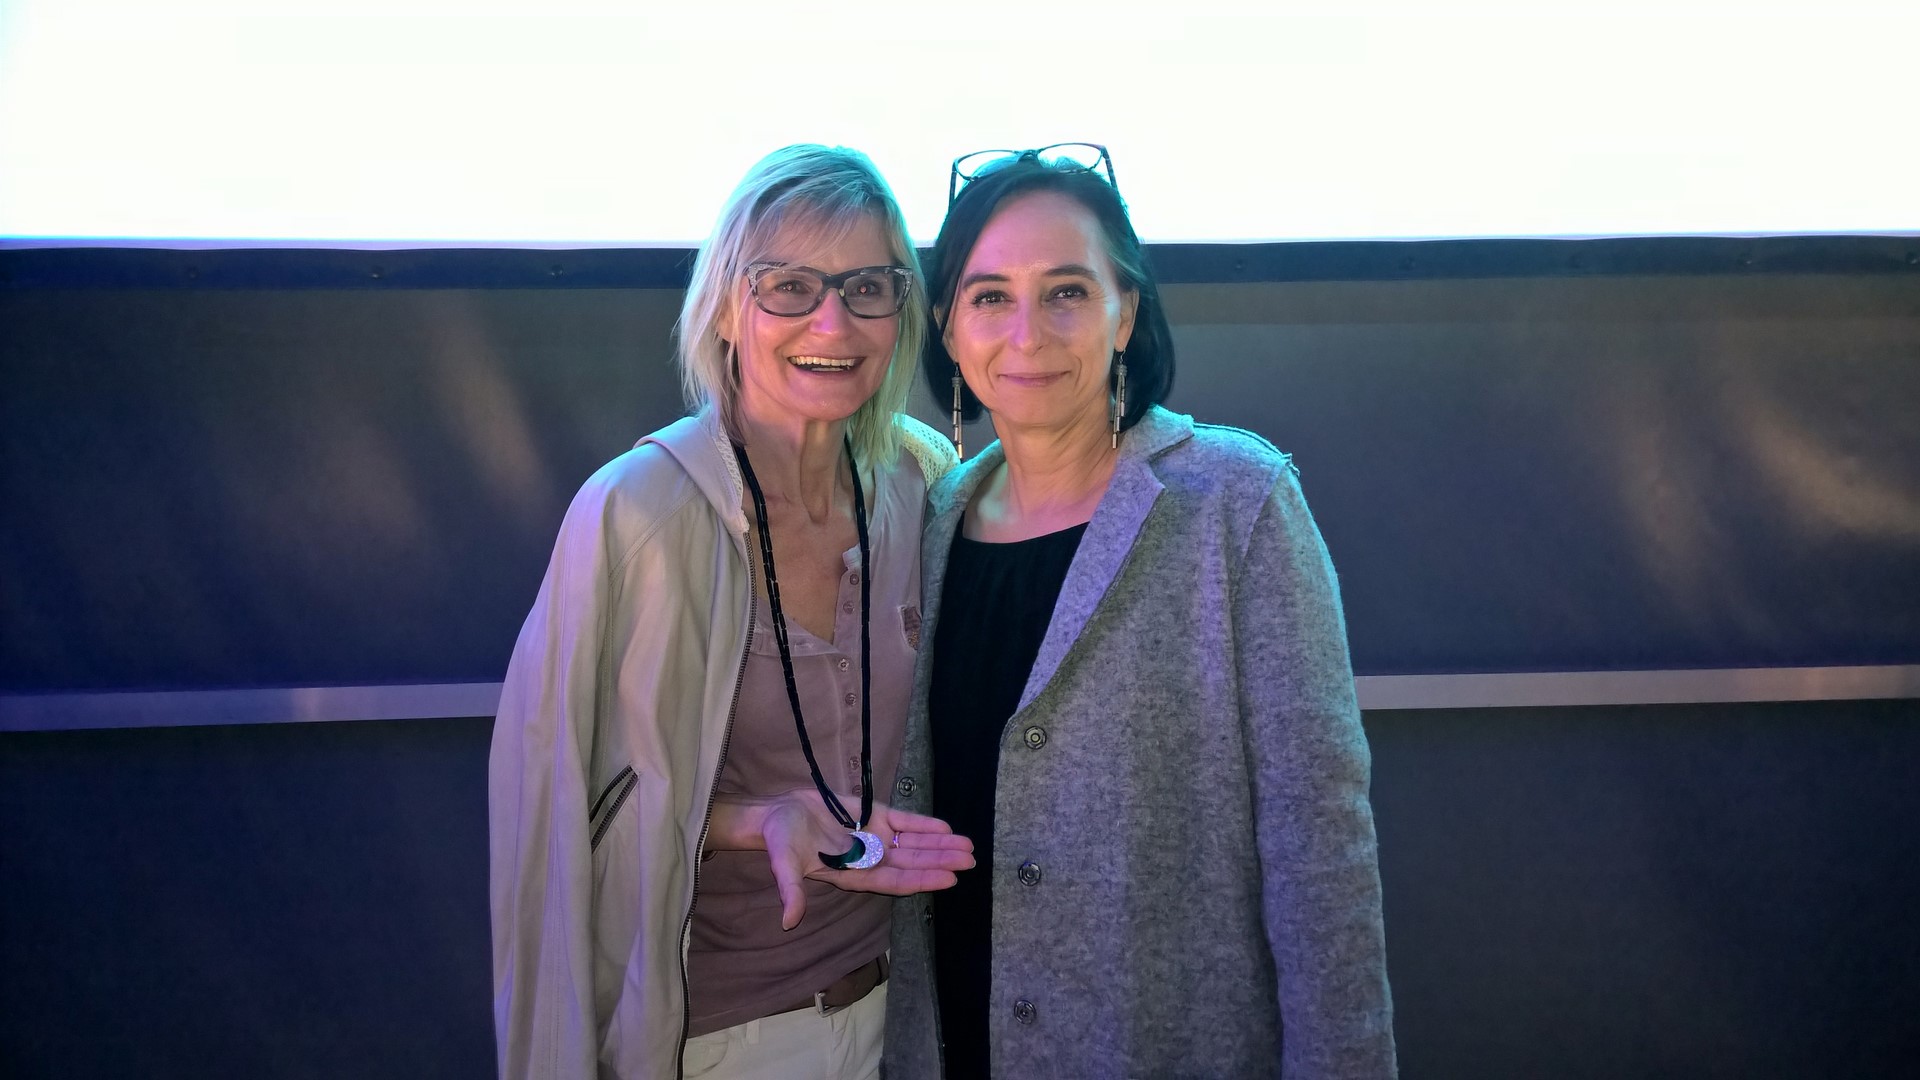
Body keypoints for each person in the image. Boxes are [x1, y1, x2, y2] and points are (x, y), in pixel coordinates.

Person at [883, 144, 1397, 1078]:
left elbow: (1319, 846)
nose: (1028, 332)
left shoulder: (1236, 501)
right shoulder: (929, 522)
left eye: (1067, 292)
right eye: (990, 296)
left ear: (1125, 312)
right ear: (949, 329)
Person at [490, 144, 974, 1080]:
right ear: (722, 307)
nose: (833, 320)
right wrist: (755, 821)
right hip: (721, 1038)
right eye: (789, 285)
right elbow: (560, 811)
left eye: (868, 286)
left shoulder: (925, 482)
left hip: (910, 1013)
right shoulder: (634, 514)